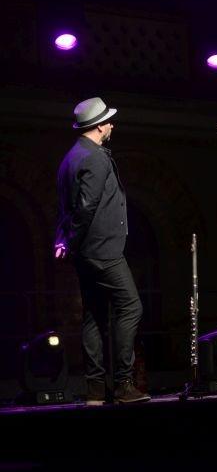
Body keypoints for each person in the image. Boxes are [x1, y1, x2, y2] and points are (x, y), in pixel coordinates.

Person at [55, 97, 150, 405]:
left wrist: (63, 240)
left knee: (94, 315)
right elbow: (85, 208)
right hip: (101, 249)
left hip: (86, 250)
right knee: (131, 307)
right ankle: (123, 384)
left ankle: (96, 389)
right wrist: (70, 240)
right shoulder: (94, 158)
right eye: (108, 120)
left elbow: (65, 207)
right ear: (98, 126)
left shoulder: (71, 157)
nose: (112, 125)